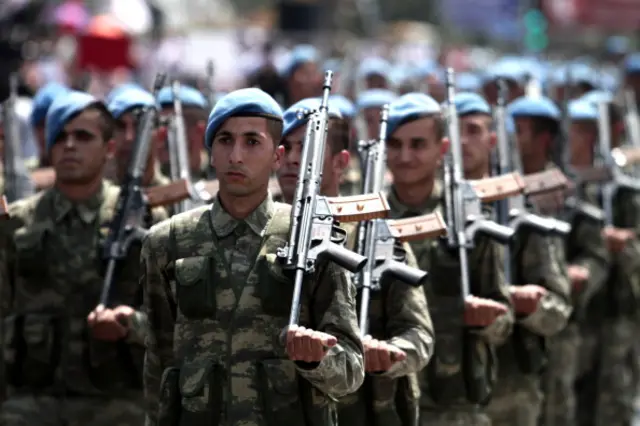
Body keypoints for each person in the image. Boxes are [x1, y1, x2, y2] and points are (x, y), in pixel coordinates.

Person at [142, 88, 365, 426]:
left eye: (251, 142)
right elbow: (158, 362)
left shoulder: (311, 238)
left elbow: (351, 371)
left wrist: (317, 358)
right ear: (211, 153)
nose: (235, 156)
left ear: (277, 157)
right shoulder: (168, 241)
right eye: (225, 141)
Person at [0, 90, 167, 426]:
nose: (70, 145)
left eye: (83, 136)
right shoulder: (16, 223)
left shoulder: (144, 221)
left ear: (108, 148)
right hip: (33, 403)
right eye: (59, 136)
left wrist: (129, 325)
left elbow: (175, 324)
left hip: (120, 403)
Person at [277, 97, 435, 426]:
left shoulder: (373, 234)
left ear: (341, 162)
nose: (294, 160)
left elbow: (420, 335)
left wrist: (390, 354)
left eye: (306, 149)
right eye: (286, 148)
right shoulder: (261, 232)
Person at [385, 92, 513, 425]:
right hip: (385, 402)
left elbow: (505, 319)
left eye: (417, 144)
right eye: (395, 144)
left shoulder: (470, 221)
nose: (405, 155)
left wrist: (490, 319)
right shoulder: (367, 220)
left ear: (442, 149)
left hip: (454, 405)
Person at [452, 92, 571, 426]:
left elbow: (559, 308)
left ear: (492, 140)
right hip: (444, 394)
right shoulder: (432, 213)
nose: (463, 140)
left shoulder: (519, 213)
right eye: (454, 130)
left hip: (510, 390)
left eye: (473, 130)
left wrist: (526, 305)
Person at [508, 96, 609, 426]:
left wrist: (580, 274)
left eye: (519, 131)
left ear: (545, 139)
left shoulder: (567, 192)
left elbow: (596, 255)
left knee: (555, 411)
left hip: (558, 326)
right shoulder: (498, 188)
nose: (510, 139)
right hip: (509, 332)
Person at [563, 96, 640, 426]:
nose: (584, 139)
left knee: (614, 404)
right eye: (578, 130)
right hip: (580, 320)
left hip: (619, 316)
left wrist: (626, 246)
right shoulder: (567, 187)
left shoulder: (627, 190)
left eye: (591, 130)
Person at [107, 86, 170, 188]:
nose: (129, 137)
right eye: (120, 126)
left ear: (160, 136)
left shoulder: (175, 198)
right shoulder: (89, 196)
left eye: (139, 126)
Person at [156, 84, 209, 179]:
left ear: (200, 130)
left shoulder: (221, 174)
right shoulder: (145, 179)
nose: (163, 132)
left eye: (172, 125)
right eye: (159, 124)